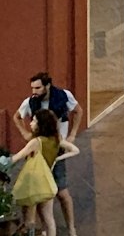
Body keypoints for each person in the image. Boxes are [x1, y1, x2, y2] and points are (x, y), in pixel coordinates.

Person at [14, 75, 81, 236]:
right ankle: (44, 229)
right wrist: (25, 133)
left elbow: (78, 111)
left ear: (47, 86)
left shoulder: (63, 96)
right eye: (32, 88)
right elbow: (17, 116)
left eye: (37, 88)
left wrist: (72, 134)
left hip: (55, 149)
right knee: (40, 195)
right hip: (39, 153)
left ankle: (71, 227)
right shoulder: (30, 102)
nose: (34, 91)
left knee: (62, 192)